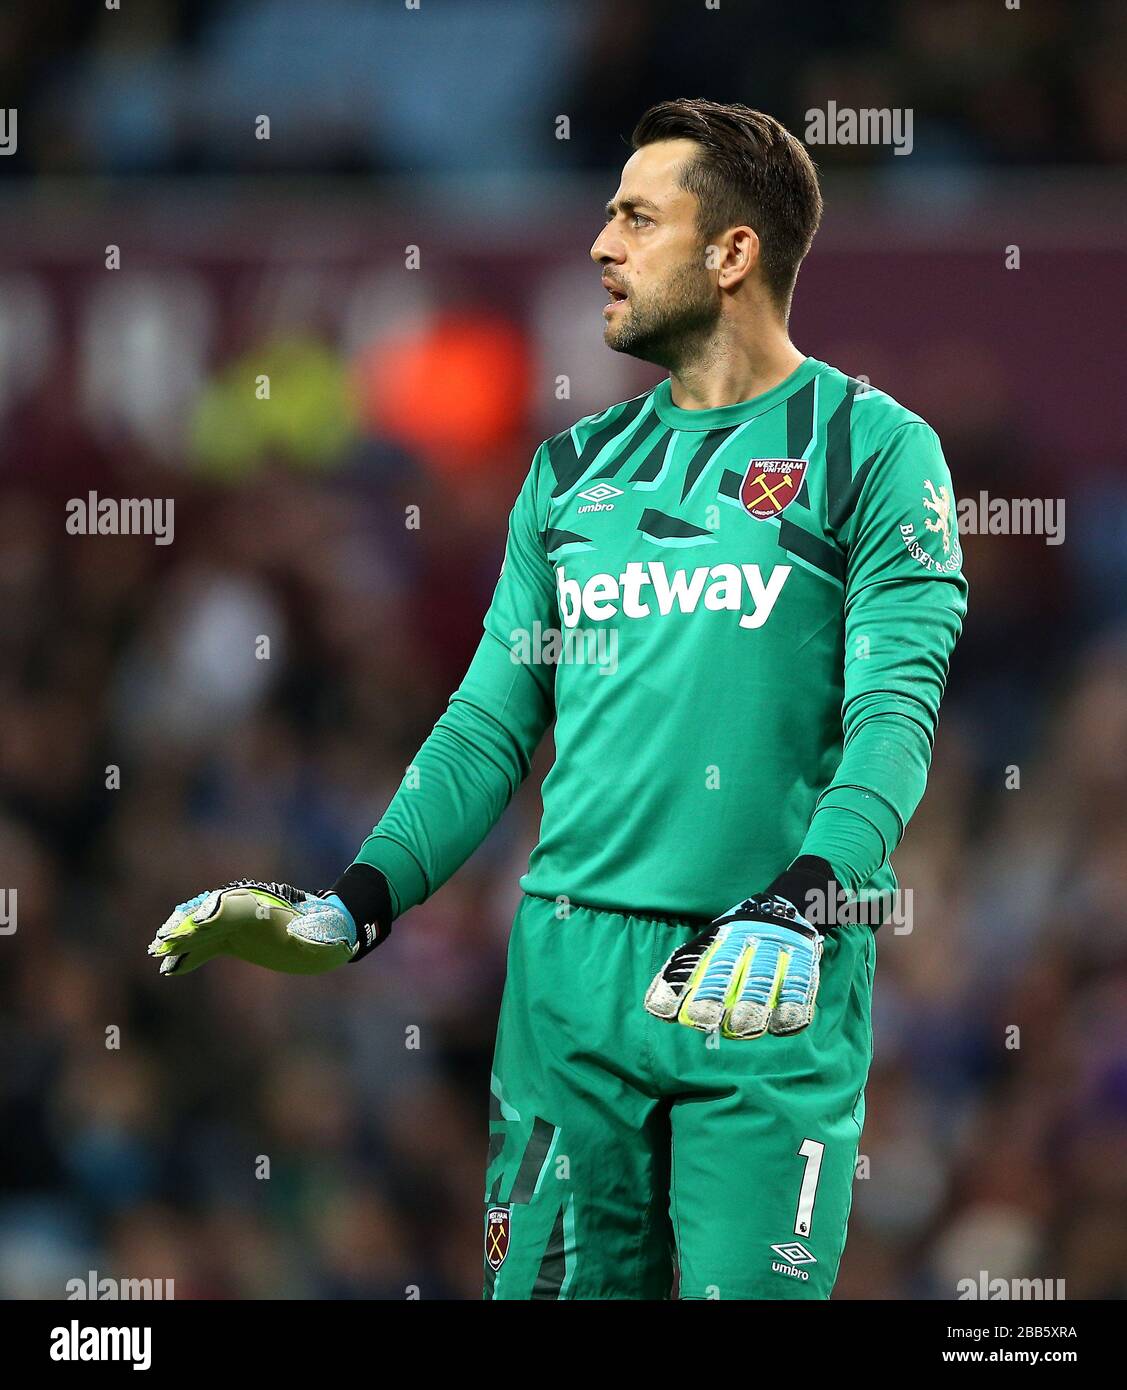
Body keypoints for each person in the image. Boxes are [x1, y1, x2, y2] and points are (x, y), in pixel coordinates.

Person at [150, 99, 967, 1300]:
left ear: (731, 253)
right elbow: (488, 722)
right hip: (565, 982)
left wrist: (806, 894)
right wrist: (355, 903)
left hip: (760, 968)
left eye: (637, 216)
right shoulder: (567, 474)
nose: (601, 244)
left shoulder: (872, 451)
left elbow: (896, 713)